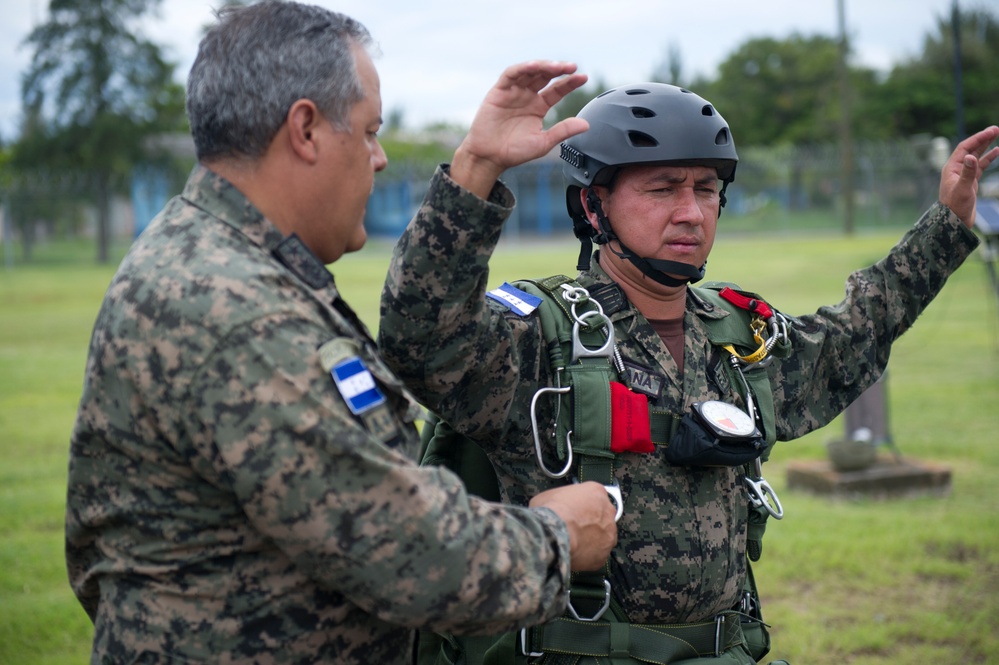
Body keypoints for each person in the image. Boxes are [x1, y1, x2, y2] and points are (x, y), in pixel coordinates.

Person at [378, 62, 999, 664]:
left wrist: (945, 226)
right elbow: (422, 341)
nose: (691, 213)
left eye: (705, 189)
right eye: (662, 188)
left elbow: (849, 339)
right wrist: (476, 170)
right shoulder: (538, 334)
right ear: (593, 208)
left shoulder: (734, 335)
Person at [65, 4, 618, 664]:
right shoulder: (240, 311)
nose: (379, 158)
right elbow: (417, 558)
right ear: (304, 128)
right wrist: (562, 533)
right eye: (368, 131)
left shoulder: (205, 255)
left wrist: (475, 162)